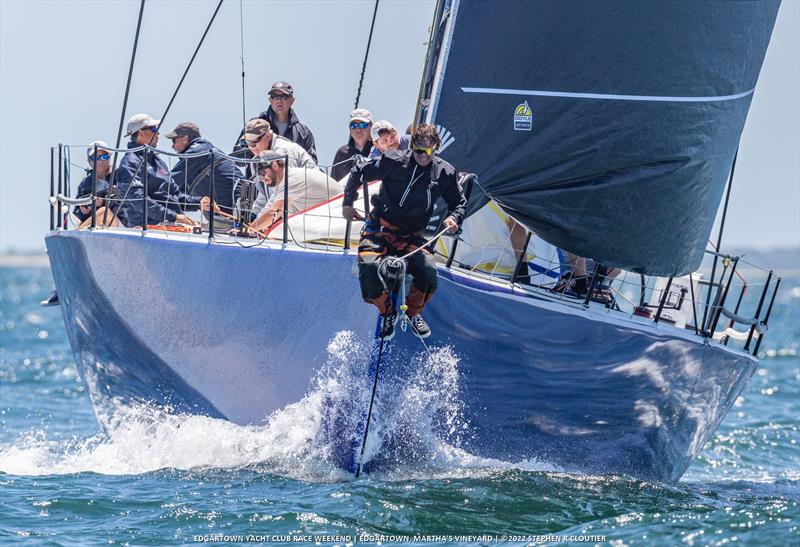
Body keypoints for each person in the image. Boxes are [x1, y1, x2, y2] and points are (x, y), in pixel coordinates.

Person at [342, 124, 466, 340]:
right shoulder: (393, 160)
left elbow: (459, 203)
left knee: (427, 271)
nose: (423, 156)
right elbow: (358, 171)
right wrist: (347, 203)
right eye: (419, 150)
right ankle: (387, 312)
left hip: (413, 236)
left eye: (429, 151)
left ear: (435, 148)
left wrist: (453, 218)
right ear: (412, 146)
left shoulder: (445, 172)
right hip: (380, 227)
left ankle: (413, 313)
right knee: (368, 266)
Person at [114, 113, 195, 228]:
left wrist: (200, 202)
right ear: (141, 133)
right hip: (149, 229)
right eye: (154, 129)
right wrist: (174, 217)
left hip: (172, 225)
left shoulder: (158, 161)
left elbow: (177, 195)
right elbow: (138, 200)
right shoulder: (130, 163)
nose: (158, 133)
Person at [237, 118, 318, 216]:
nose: (252, 146)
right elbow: (263, 195)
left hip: (313, 209)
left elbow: (279, 196)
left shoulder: (282, 152)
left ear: (269, 135)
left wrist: (258, 224)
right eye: (248, 142)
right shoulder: (258, 158)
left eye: (256, 140)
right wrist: (252, 217)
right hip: (294, 209)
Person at [248, 151, 342, 233]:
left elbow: (273, 212)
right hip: (327, 222)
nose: (261, 179)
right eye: (258, 176)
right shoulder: (284, 182)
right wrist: (254, 226)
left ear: (275, 165)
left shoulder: (291, 179)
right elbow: (270, 209)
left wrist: (251, 229)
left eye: (262, 173)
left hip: (338, 222)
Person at [165, 122, 242, 215]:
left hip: (237, 205)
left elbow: (169, 182)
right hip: (228, 209)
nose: (172, 146)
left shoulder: (197, 151)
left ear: (185, 139)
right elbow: (178, 190)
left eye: (174, 141)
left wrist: (151, 191)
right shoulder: (202, 151)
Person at [236, 81, 317, 161]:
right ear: (270, 99)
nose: (279, 100)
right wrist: (256, 147)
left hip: (292, 173)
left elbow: (312, 163)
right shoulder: (253, 125)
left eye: (284, 96)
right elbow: (237, 158)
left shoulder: (304, 132)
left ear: (292, 100)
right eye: (274, 96)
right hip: (260, 173)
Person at [73, 141, 115, 225]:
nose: (100, 161)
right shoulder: (85, 183)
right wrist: (84, 212)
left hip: (119, 225)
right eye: (96, 158)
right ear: (89, 161)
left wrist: (103, 203)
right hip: (94, 228)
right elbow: (77, 213)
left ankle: (76, 232)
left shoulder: (120, 175)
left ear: (109, 157)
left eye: (104, 157)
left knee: (104, 212)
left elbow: (127, 206)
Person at [331, 109, 373, 180]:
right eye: (353, 125)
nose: (358, 129)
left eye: (362, 125)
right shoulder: (342, 152)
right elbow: (335, 183)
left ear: (371, 126)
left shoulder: (379, 149)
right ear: (349, 128)